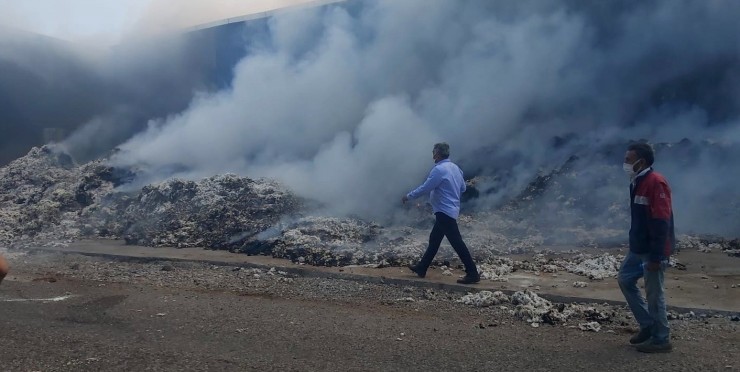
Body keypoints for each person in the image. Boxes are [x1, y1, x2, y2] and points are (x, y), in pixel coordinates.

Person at [618, 142, 675, 353]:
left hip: (652, 250)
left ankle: (661, 339)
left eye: (628, 160)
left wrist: (657, 256)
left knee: (654, 293)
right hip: (639, 247)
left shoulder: (656, 182)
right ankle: (648, 326)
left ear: (641, 162)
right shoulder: (637, 181)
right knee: (625, 279)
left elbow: (662, 221)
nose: (624, 164)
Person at [403, 143, 480, 284]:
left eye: (433, 152)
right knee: (434, 239)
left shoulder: (439, 170)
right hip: (450, 209)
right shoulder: (456, 168)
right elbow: (463, 188)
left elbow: (425, 188)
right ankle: (422, 267)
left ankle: (472, 273)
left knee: (457, 242)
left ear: (437, 154)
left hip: (444, 211)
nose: (432, 154)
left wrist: (409, 196)